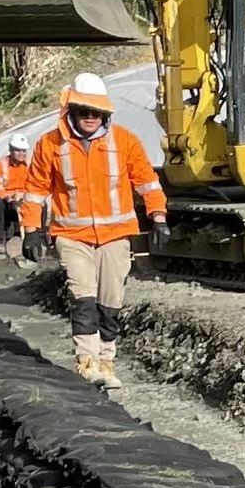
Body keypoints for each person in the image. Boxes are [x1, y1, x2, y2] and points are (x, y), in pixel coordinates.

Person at [28, 70, 166, 383]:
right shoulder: (50, 145)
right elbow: (35, 190)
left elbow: (147, 183)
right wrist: (31, 229)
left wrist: (158, 217)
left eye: (96, 112)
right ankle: (86, 362)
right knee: (83, 295)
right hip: (71, 234)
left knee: (110, 300)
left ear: (104, 112)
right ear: (71, 112)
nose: (90, 117)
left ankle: (107, 362)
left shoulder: (125, 142)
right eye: (83, 111)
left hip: (115, 236)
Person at [0, 130, 41, 257]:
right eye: (18, 150)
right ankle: (0, 238)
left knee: (41, 204)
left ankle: (36, 235)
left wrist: (24, 196)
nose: (21, 154)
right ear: (10, 149)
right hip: (8, 200)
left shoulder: (30, 165)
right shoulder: (0, 165)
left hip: (25, 198)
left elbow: (35, 185)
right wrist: (9, 198)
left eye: (23, 151)